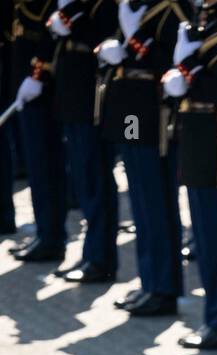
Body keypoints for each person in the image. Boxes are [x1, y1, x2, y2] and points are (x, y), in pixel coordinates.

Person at [163, 0, 217, 349]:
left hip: (215, 143)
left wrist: (188, 68)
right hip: (198, 139)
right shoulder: (203, 24)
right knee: (206, 235)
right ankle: (216, 318)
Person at [97, 0, 189, 317]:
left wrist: (135, 39)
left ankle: (163, 287)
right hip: (129, 112)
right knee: (140, 202)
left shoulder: (173, 8)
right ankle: (150, 281)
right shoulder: (131, 4)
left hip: (150, 116)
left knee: (155, 203)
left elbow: (175, 61)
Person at [50, 0, 119, 284]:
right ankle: (92, 254)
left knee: (96, 180)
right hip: (73, 99)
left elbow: (100, 39)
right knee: (84, 181)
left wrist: (71, 14)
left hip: (91, 103)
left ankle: (100, 259)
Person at [9, 0, 67, 261]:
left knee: (45, 165)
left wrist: (37, 75)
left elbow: (46, 37)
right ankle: (46, 233)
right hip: (24, 86)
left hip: (41, 90)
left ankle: (52, 237)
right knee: (37, 167)